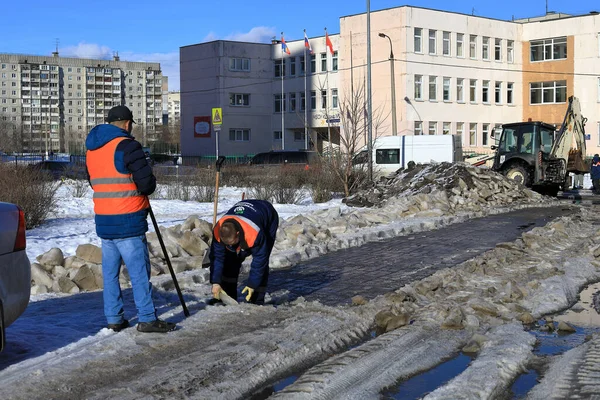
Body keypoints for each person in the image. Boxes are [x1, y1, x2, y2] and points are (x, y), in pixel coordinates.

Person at [85, 105, 176, 333]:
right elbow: (147, 184)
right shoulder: (128, 146)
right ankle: (146, 317)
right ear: (127, 124)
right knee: (138, 273)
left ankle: (114, 318)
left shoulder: (92, 150)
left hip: (105, 221)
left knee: (110, 274)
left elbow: (94, 182)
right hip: (128, 219)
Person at [209, 200, 279, 305]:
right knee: (230, 259)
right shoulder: (218, 231)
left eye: (232, 243)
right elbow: (217, 258)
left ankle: (256, 298)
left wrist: (252, 285)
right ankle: (228, 295)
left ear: (238, 234)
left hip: (267, 214)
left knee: (262, 261)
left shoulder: (255, 233)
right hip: (246, 214)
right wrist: (215, 282)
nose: (230, 246)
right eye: (226, 244)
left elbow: (260, 260)